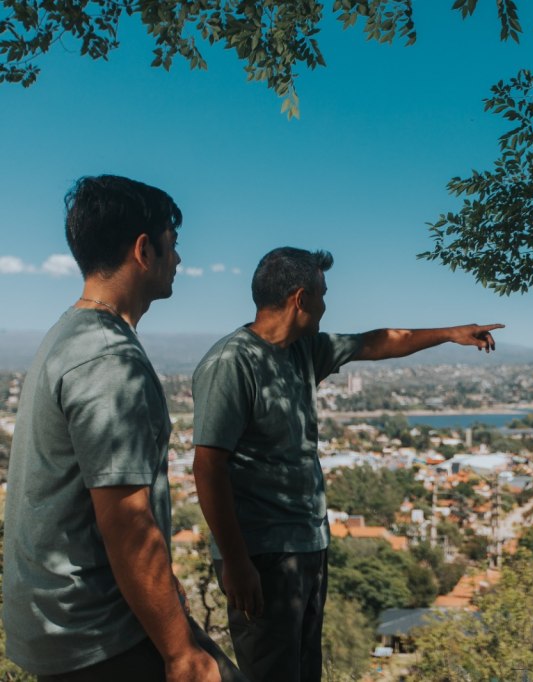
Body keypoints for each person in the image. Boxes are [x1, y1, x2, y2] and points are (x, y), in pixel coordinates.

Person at [191, 246, 502, 682]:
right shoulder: (232, 363)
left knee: (304, 671)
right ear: (301, 298)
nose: (326, 304)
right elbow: (208, 468)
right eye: (323, 294)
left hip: (307, 544)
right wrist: (237, 562)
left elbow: (376, 342)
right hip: (261, 551)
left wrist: (451, 333)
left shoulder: (303, 350)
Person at [2, 175, 245, 682]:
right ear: (144, 250)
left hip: (66, 623)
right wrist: (180, 652)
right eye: (172, 244)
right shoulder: (108, 359)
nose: (179, 259)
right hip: (98, 635)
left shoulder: (70, 334)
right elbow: (126, 523)